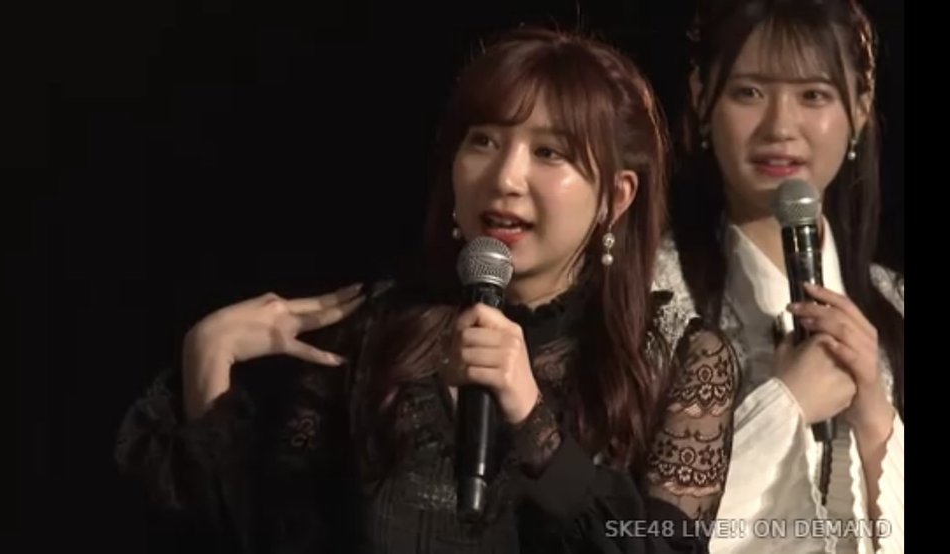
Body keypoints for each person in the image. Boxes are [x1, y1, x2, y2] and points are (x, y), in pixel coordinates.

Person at [116, 27, 740, 553]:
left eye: (550, 152)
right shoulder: (374, 333)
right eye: (484, 141)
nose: (506, 177)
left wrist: (531, 417)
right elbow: (270, 535)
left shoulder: (681, 360)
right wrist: (208, 359)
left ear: (616, 197)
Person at [654, 1, 904, 552]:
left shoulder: (896, 306)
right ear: (701, 97)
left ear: (861, 107)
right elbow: (638, 533)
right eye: (749, 92)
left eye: (813, 95)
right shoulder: (651, 297)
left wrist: (874, 422)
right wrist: (785, 407)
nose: (780, 128)